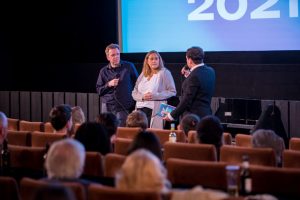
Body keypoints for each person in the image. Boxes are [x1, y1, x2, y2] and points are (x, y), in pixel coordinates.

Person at [164, 46, 215, 121]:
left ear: (189, 60)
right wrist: (189, 72)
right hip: (206, 116)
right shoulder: (211, 71)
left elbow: (186, 101)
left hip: (193, 119)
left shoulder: (194, 76)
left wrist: (172, 115)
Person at [96, 43, 138, 127]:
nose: (116, 57)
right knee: (105, 131)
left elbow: (137, 84)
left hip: (123, 107)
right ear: (108, 57)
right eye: (113, 55)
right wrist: (108, 84)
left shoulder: (129, 67)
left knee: (121, 132)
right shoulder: (103, 71)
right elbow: (99, 90)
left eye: (118, 54)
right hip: (107, 107)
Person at [132, 50, 176, 128]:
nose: (154, 61)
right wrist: (142, 97)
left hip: (155, 109)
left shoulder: (165, 72)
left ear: (159, 60)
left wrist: (155, 95)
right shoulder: (143, 74)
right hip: (139, 109)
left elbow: (172, 91)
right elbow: (134, 92)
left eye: (156, 59)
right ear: (147, 61)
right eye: (151, 59)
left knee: (154, 135)